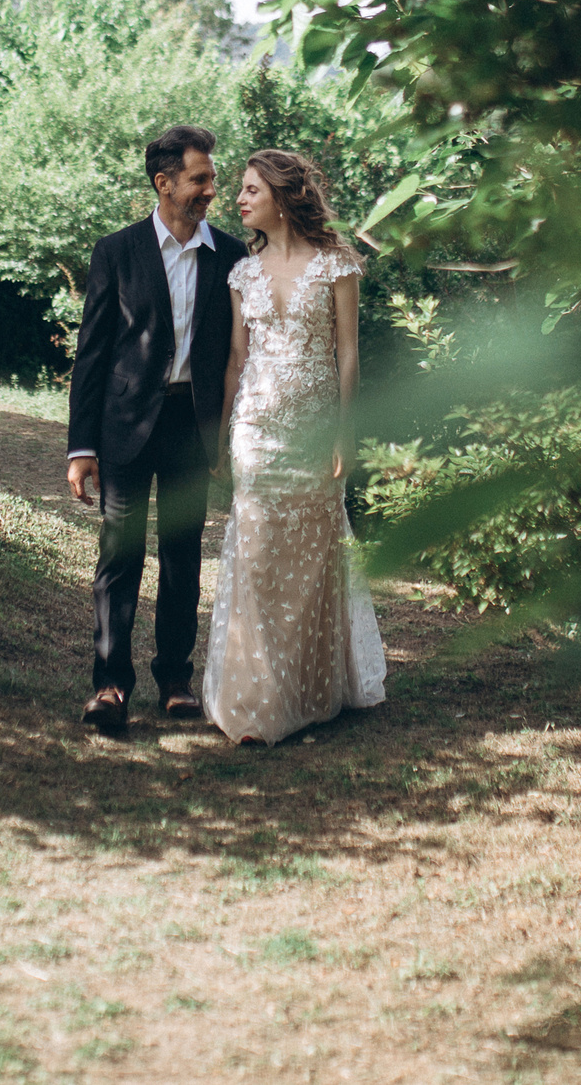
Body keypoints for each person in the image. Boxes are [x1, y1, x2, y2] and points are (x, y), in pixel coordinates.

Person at [206, 149, 387, 745]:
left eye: (251, 190)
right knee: (255, 557)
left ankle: (309, 691)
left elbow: (349, 355)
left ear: (282, 197)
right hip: (256, 432)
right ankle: (256, 703)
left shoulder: (337, 266)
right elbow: (236, 360)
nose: (239, 200)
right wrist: (220, 435)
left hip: (314, 433)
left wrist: (344, 431)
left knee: (311, 560)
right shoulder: (241, 273)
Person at [67, 125, 245, 731]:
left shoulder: (231, 257)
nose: (210, 190)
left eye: (212, 179)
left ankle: (175, 678)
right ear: (163, 183)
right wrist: (82, 447)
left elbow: (234, 359)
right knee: (119, 554)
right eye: (200, 179)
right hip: (123, 426)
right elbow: (91, 354)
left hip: (191, 426)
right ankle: (111, 684)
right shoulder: (116, 251)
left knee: (182, 554)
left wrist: (224, 435)